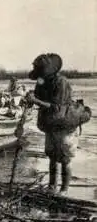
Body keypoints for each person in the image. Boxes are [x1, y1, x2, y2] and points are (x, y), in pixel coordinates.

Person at [25, 53, 77, 196]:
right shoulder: (42, 81)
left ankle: (64, 190)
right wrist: (30, 99)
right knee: (52, 157)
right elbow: (38, 97)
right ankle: (52, 187)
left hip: (64, 124)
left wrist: (36, 101)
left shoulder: (61, 82)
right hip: (51, 125)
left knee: (65, 159)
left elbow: (57, 108)